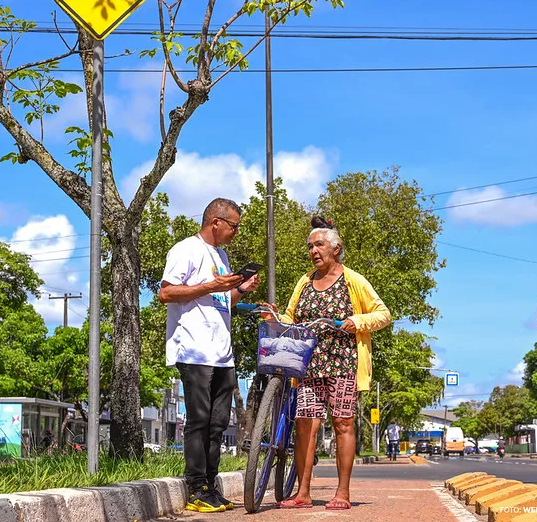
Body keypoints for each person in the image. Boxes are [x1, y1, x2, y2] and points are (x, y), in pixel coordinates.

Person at [263, 216, 391, 510]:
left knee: (343, 423)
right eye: (310, 247)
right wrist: (274, 317)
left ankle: (342, 493)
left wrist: (355, 321)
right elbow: (291, 318)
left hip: (344, 363)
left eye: (318, 245)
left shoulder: (353, 280)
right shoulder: (305, 281)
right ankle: (303, 492)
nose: (313, 251)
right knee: (305, 424)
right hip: (308, 364)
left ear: (336, 248)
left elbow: (383, 314)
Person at [159, 198, 260, 513]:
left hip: (222, 353)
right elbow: (166, 292)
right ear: (216, 221)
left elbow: (221, 298)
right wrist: (210, 285)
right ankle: (195, 486)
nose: (236, 232)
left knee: (218, 423)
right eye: (234, 226)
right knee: (199, 420)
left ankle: (211, 487)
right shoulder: (185, 250)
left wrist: (240, 289)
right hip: (194, 348)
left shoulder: (222, 255)